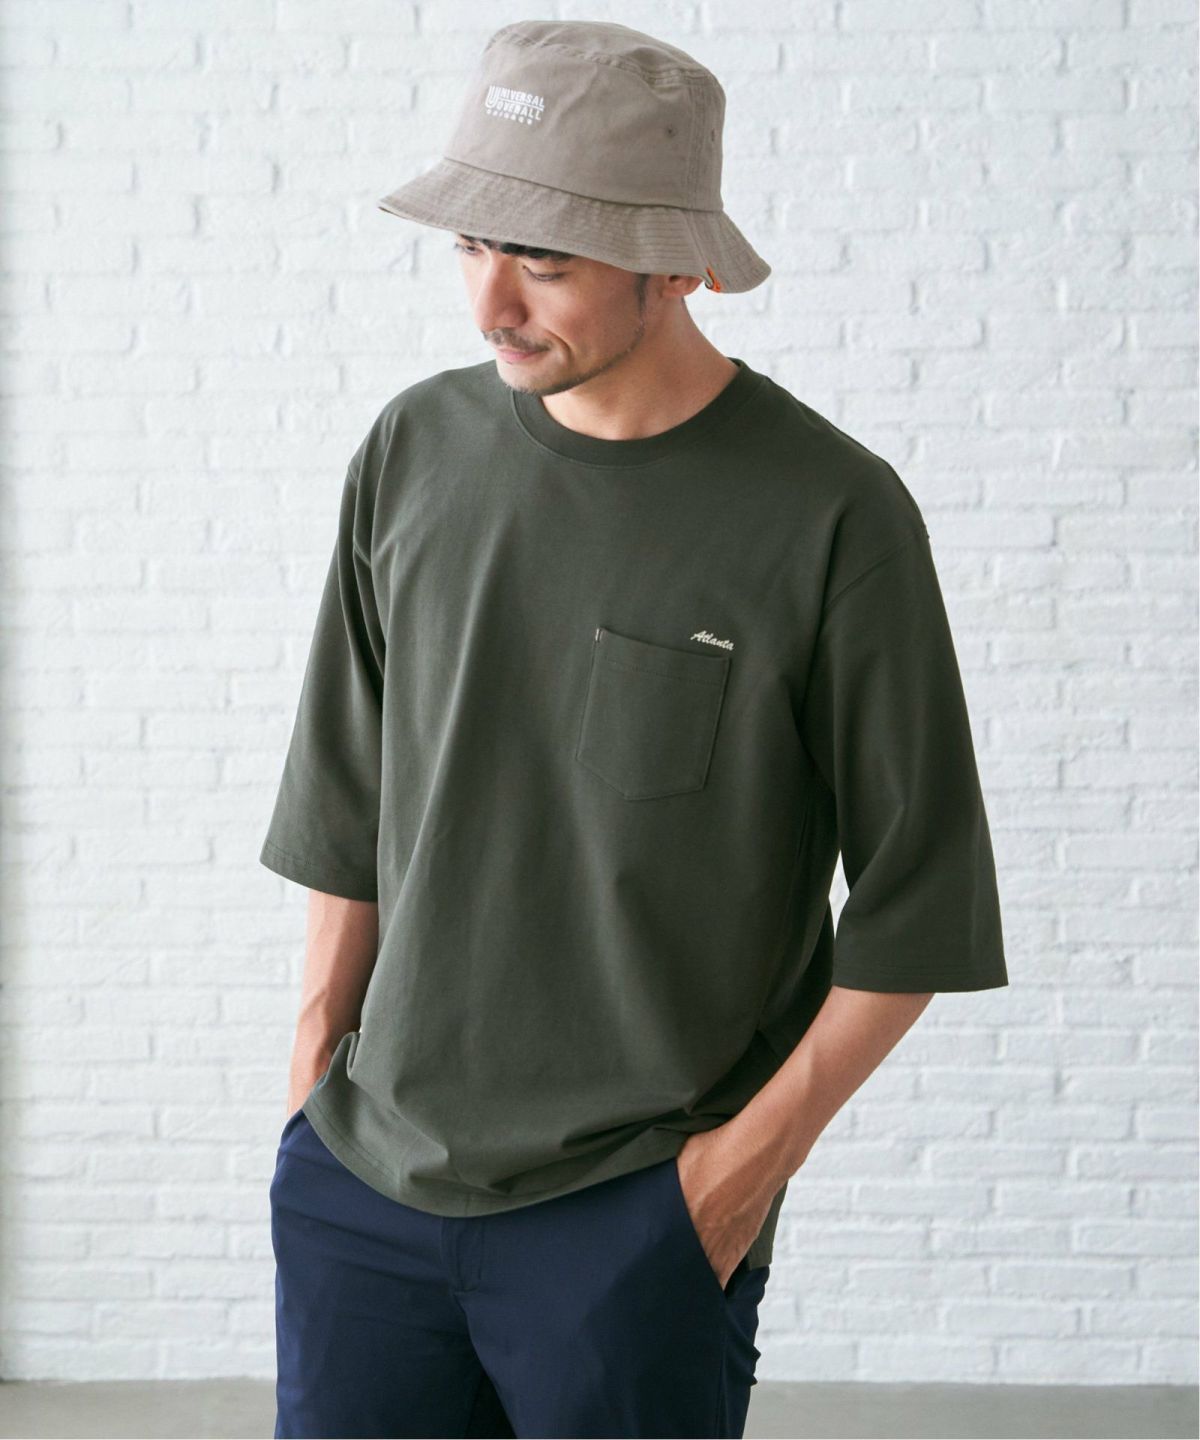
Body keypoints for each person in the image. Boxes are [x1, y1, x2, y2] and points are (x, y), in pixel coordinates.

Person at [261, 18, 1009, 1439]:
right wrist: (312, 1095)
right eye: (471, 245)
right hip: (364, 1196)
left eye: (544, 261)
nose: (490, 304)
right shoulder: (414, 451)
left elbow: (921, 909)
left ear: (676, 264)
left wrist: (726, 1191)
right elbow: (345, 806)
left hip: (631, 1221)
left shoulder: (831, 517)